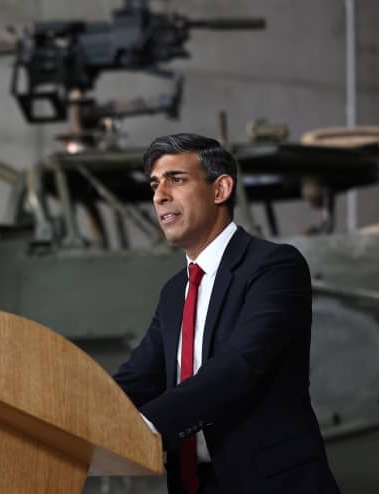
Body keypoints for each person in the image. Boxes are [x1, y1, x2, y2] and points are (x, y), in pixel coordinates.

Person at [113, 133, 339, 494]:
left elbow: (239, 365)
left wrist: (144, 427)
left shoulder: (274, 267)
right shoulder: (175, 290)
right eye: (155, 184)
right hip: (194, 484)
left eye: (177, 179)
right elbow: (141, 375)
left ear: (220, 190)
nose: (159, 195)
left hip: (271, 484)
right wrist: (74, 414)